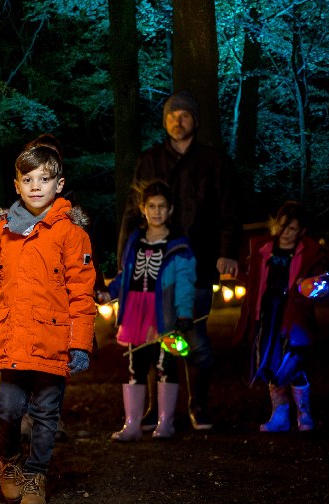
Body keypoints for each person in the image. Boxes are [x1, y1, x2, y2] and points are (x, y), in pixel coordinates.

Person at [0, 138, 95, 504]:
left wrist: (80, 343)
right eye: (28, 179)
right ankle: (10, 461)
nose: (36, 187)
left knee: (46, 413)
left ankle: (36, 475)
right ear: (16, 185)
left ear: (59, 184)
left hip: (53, 342)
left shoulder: (71, 234)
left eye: (44, 179)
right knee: (8, 408)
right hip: (14, 338)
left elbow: (82, 294)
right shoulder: (2, 231)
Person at [117, 90, 242, 431]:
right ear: (164, 121)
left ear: (195, 121)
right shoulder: (149, 160)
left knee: (193, 335)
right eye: (172, 115)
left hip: (197, 264)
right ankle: (158, 413)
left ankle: (198, 405)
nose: (178, 120)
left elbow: (229, 212)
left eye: (184, 115)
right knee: (153, 338)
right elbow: (132, 210)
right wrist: (123, 259)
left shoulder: (214, 163)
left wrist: (227, 252)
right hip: (152, 264)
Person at [102, 180, 196, 441]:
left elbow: (186, 283)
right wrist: (109, 292)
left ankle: (165, 423)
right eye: (152, 206)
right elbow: (126, 275)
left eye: (162, 207)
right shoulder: (135, 241)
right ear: (143, 208)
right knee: (136, 365)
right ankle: (132, 424)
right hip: (135, 312)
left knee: (167, 364)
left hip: (165, 313)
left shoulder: (179, 246)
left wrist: (185, 313)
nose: (157, 212)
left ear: (171, 209)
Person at [235, 201, 326, 432]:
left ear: (301, 231)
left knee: (292, 361)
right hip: (267, 314)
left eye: (292, 229)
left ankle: (303, 413)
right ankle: (280, 414)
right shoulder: (262, 248)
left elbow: (322, 284)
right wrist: (239, 274)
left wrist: (307, 285)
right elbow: (254, 279)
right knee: (270, 361)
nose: (285, 233)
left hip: (293, 316)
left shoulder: (310, 252)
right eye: (282, 227)